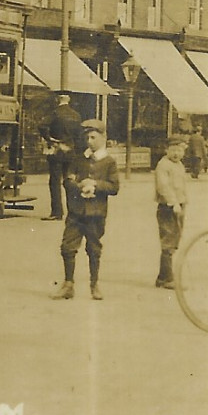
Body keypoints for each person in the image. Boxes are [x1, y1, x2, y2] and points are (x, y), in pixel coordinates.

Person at [52, 119, 120, 301]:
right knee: (67, 247)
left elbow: (114, 187)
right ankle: (68, 285)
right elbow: (67, 180)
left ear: (103, 137)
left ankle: (94, 284)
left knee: (94, 249)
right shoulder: (78, 159)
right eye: (87, 137)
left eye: (93, 137)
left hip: (95, 214)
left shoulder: (109, 162)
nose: (89, 141)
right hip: (76, 212)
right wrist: (79, 186)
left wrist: (95, 185)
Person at [39, 94, 84, 221]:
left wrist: (49, 138)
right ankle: (73, 211)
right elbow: (79, 136)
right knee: (69, 181)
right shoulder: (76, 115)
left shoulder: (55, 113)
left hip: (57, 150)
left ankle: (57, 212)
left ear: (57, 99)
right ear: (68, 100)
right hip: (70, 151)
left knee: (55, 181)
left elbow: (42, 126)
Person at [153, 136, 190, 289]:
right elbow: (163, 186)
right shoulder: (163, 165)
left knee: (175, 239)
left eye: (180, 150)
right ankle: (167, 278)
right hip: (168, 207)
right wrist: (174, 202)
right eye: (173, 150)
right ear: (166, 150)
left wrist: (182, 202)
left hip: (179, 205)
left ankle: (162, 277)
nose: (176, 153)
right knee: (168, 241)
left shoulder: (179, 165)